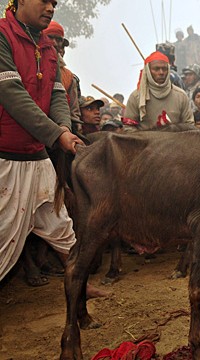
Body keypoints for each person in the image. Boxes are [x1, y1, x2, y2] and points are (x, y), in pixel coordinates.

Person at [0, 0, 106, 297]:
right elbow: (11, 94)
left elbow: (58, 96)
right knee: (4, 233)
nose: (50, 7)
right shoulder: (1, 35)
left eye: (54, 3)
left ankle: (79, 282)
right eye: (44, 0)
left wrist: (62, 130)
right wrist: (56, 134)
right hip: (4, 155)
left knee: (59, 223)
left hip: (35, 153)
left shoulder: (46, 46)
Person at [124, 51, 194, 129]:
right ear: (148, 71)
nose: (161, 72)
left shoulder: (181, 96)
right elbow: (128, 128)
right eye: (156, 69)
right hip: (145, 141)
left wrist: (174, 129)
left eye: (164, 69)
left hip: (174, 140)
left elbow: (189, 126)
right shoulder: (136, 96)